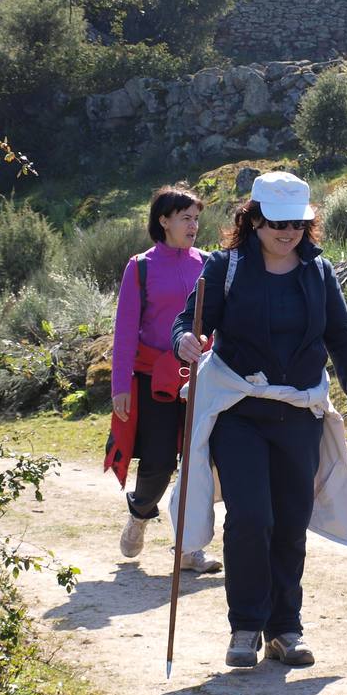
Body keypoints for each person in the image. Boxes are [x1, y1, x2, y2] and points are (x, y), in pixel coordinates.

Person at [173, 171, 347, 669]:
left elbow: (342, 337)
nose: (289, 232)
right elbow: (189, 320)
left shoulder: (319, 271)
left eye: (299, 224)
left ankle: (286, 628)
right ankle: (245, 626)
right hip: (238, 412)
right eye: (278, 222)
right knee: (250, 518)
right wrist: (184, 340)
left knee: (290, 521)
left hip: (300, 411)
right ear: (254, 219)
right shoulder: (225, 268)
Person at [105, 186, 222, 574]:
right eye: (185, 217)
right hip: (151, 378)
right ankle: (139, 514)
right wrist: (120, 386)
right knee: (157, 462)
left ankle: (188, 549)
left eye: (196, 218)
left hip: (201, 378)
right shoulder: (140, 266)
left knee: (198, 463)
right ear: (164, 221)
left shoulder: (208, 263)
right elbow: (125, 332)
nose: (194, 225)